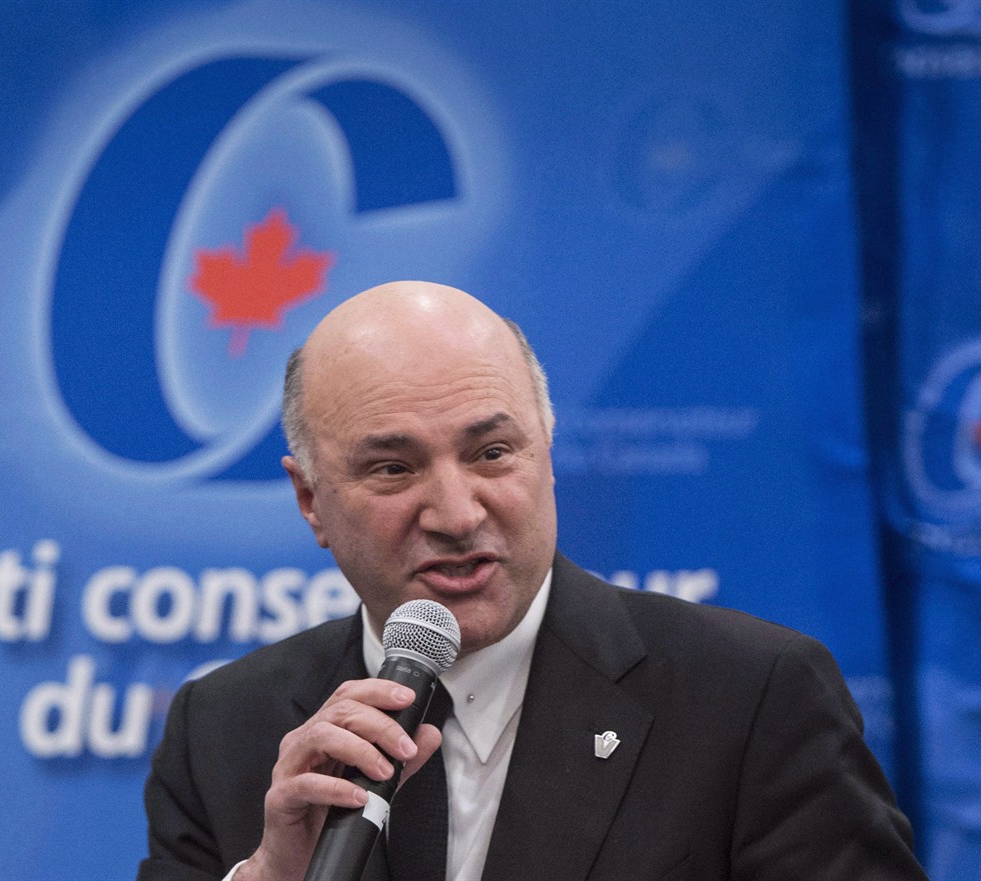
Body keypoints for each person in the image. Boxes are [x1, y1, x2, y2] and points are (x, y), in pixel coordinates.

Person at [137, 281, 927, 881]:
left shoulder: (750, 697)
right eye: (392, 467)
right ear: (311, 500)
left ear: (546, 453)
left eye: (491, 452)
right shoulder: (223, 730)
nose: (454, 510)